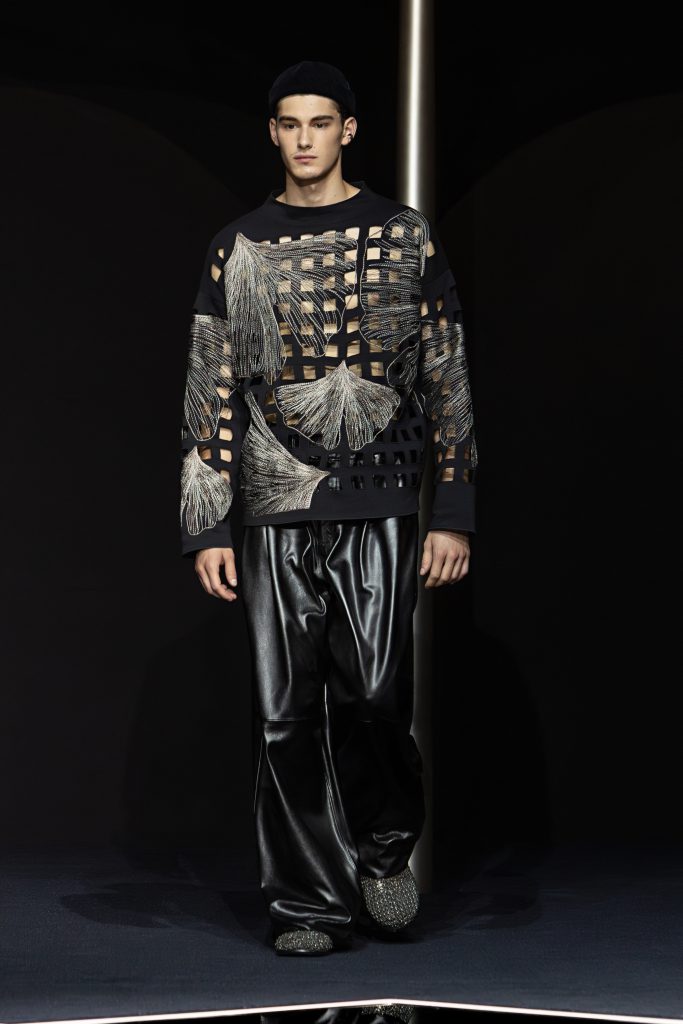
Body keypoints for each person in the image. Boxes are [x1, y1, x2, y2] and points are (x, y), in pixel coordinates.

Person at [179, 60, 478, 956]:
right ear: (272, 132)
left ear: (347, 130)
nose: (302, 138)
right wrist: (206, 523)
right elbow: (210, 388)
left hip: (380, 496)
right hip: (271, 507)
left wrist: (452, 508)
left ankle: (383, 852)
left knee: (375, 697)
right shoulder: (237, 246)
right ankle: (307, 905)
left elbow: (446, 374)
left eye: (319, 122)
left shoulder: (402, 235)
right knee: (284, 715)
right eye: (288, 123)